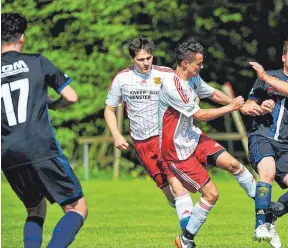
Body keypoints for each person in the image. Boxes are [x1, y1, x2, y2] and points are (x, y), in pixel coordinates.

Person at [1, 12, 88, 248]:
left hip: (7, 153)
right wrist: (53, 105)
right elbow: (71, 97)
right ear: (22, 38)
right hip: (39, 147)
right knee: (77, 207)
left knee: (34, 208)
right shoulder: (36, 61)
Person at [159, 37, 255, 248]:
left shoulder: (193, 78)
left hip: (193, 137)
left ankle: (263, 208)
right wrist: (231, 108)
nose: (201, 66)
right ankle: (185, 240)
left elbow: (212, 93)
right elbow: (200, 115)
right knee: (211, 194)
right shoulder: (173, 86)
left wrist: (235, 103)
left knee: (233, 164)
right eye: (198, 63)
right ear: (185, 63)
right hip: (177, 150)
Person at [104, 36, 194, 230]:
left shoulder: (166, 74)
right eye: (140, 59)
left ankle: (188, 237)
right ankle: (185, 213)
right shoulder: (122, 79)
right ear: (132, 59)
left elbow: (186, 97)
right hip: (141, 143)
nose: (146, 63)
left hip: (165, 138)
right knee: (169, 193)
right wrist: (116, 135)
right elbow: (109, 109)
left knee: (177, 186)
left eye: (148, 58)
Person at [241, 37, 288, 247]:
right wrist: (258, 107)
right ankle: (260, 225)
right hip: (262, 136)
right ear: (284, 57)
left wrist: (264, 75)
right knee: (267, 170)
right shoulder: (266, 78)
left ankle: (269, 220)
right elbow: (247, 106)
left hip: (287, 146)